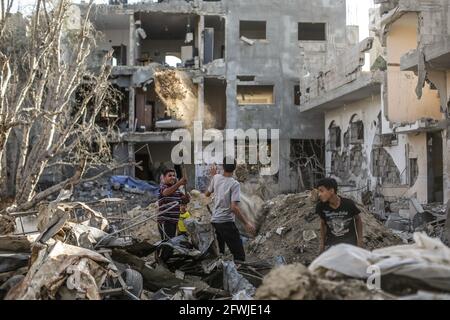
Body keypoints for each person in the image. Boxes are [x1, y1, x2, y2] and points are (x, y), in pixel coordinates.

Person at [205, 157, 256, 262]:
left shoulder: (216, 178)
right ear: (235, 168)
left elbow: (207, 194)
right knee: (239, 255)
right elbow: (234, 208)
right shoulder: (234, 184)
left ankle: (221, 269)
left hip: (215, 221)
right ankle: (236, 275)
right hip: (226, 222)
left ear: (223, 167)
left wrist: (213, 177)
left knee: (221, 252)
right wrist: (247, 223)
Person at [315, 178, 363, 253]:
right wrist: (322, 244)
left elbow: (358, 219)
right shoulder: (321, 207)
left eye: (321, 191)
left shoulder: (348, 204)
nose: (319, 194)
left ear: (331, 191)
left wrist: (360, 240)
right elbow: (323, 224)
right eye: (318, 191)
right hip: (332, 246)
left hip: (350, 246)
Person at [157, 169, 190, 241]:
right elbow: (166, 193)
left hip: (174, 221)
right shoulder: (163, 186)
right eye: (170, 176)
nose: (172, 177)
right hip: (165, 221)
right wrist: (179, 183)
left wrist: (187, 198)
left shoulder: (177, 190)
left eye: (174, 175)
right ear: (164, 178)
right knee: (167, 245)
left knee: (171, 245)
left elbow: (184, 201)